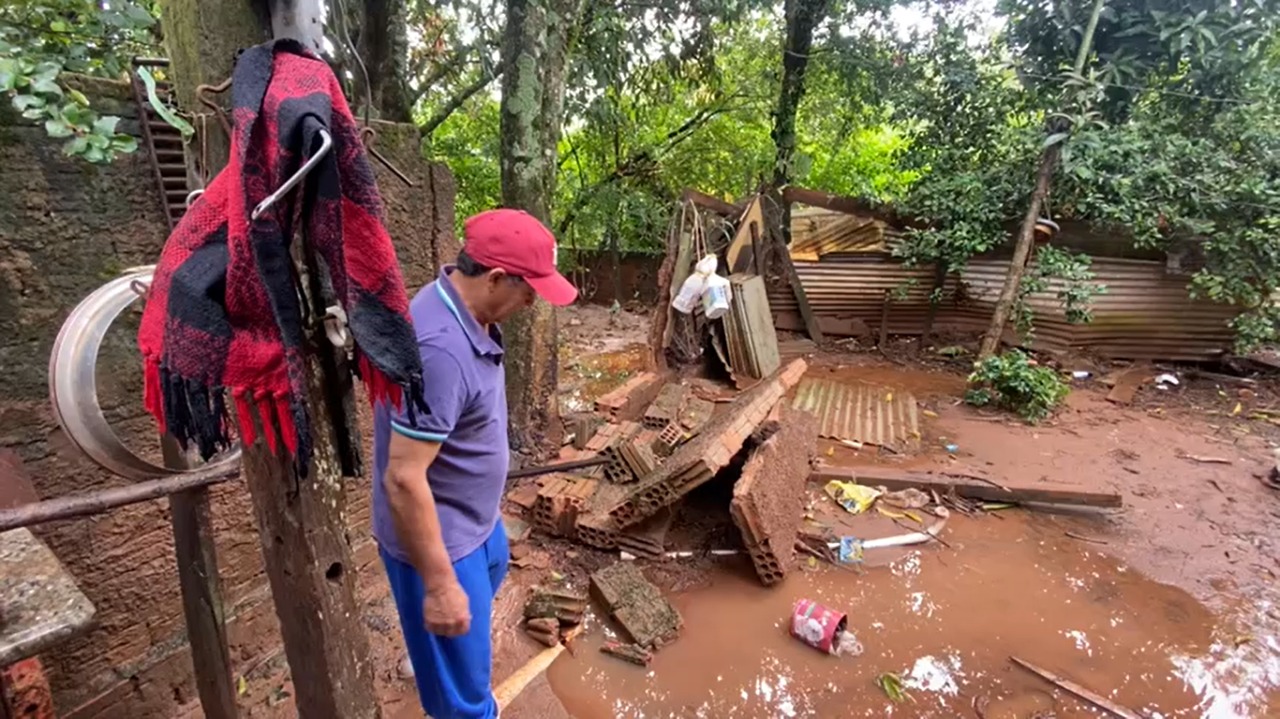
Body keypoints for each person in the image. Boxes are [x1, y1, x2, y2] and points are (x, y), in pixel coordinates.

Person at [373, 209, 577, 719]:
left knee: (464, 632)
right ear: (495, 278)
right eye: (530, 289)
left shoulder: (467, 312)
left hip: (474, 524)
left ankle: (436, 655)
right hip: (441, 536)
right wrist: (441, 586)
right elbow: (402, 476)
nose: (533, 301)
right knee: (466, 703)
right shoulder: (441, 348)